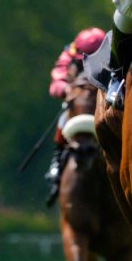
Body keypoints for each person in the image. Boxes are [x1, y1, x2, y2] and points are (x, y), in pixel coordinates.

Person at [43, 27, 107, 206]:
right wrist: (66, 89)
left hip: (104, 102)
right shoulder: (69, 54)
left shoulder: (112, 53)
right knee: (65, 118)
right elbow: (57, 79)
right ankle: (57, 161)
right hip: (77, 103)